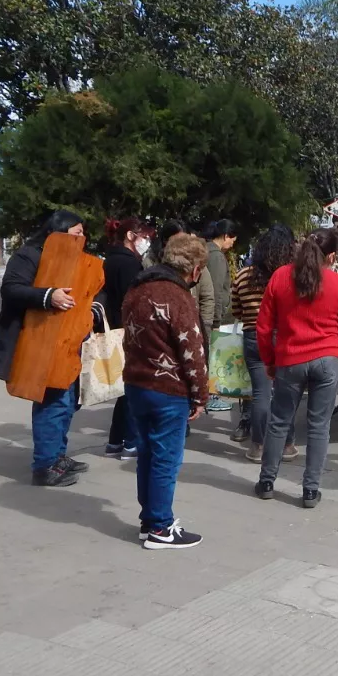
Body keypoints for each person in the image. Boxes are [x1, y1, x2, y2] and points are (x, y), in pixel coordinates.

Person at [0, 210, 96, 488]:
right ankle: (45, 466)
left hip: (68, 342)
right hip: (39, 342)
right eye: (77, 233)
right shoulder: (28, 255)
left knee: (66, 402)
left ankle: (57, 455)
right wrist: (48, 295)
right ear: (59, 231)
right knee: (52, 401)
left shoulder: (75, 259)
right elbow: (11, 290)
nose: (83, 238)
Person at [253, 228, 338, 509]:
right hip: (326, 360)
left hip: (289, 359)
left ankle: (266, 482)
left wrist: (269, 361)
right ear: (332, 256)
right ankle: (310, 490)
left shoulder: (280, 277)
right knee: (319, 426)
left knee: (279, 422)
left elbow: (263, 327)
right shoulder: (337, 283)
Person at [121, 232, 211, 549]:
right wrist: (201, 394)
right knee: (165, 460)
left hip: (136, 383)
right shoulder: (177, 296)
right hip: (167, 387)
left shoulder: (137, 288)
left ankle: (150, 520)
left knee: (147, 454)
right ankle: (161, 527)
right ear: (195, 268)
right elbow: (193, 350)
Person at [232, 224, 298, 460]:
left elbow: (236, 310)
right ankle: (287, 444)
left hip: (253, 337)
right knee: (285, 392)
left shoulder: (242, 275)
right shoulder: (292, 276)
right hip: (285, 336)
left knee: (260, 393)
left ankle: (258, 446)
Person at [101, 216, 154, 460]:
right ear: (131, 236)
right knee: (135, 388)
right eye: (144, 237)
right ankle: (132, 442)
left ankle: (114, 441)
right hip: (129, 332)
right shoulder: (130, 265)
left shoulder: (110, 260)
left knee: (125, 390)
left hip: (112, 328)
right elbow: (134, 302)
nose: (147, 242)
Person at [203, 220, 239, 413]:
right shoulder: (216, 257)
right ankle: (212, 396)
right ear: (226, 236)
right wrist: (216, 320)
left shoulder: (208, 252)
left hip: (209, 314)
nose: (232, 244)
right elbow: (215, 290)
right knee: (212, 357)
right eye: (232, 239)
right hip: (213, 316)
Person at [159, 221, 214, 334]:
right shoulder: (153, 264)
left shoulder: (198, 263)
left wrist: (205, 326)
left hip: (193, 327)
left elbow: (207, 298)